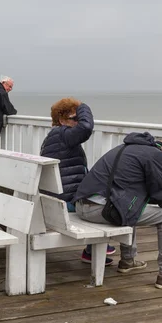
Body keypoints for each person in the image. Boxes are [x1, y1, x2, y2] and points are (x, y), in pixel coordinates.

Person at [73, 133, 162, 289]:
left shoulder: (127, 148)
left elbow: (140, 193)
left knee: (133, 206)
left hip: (83, 206)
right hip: (100, 211)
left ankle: (128, 260)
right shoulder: (157, 156)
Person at [40, 98, 115, 265]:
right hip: (65, 202)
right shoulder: (63, 134)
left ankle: (94, 249)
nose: (78, 121)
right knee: (104, 204)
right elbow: (86, 128)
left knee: (97, 193)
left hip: (54, 200)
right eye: (74, 118)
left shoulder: (54, 136)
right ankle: (96, 248)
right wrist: (83, 106)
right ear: (61, 120)